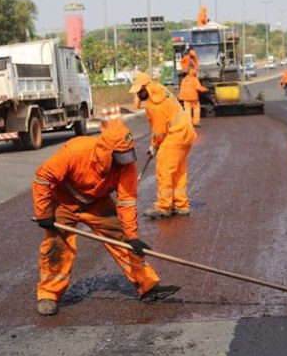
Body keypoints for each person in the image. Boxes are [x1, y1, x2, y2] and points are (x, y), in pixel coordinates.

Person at [31, 118, 180, 316]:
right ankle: (48, 294)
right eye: (120, 157)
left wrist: (132, 236)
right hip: (63, 202)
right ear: (106, 152)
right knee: (57, 245)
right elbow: (42, 177)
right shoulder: (76, 152)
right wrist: (44, 213)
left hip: (98, 203)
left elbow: (126, 201)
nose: (125, 162)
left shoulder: (126, 165)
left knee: (123, 241)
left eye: (128, 155)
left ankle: (148, 285)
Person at [129, 72, 197, 219]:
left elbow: (159, 132)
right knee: (179, 170)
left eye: (140, 91)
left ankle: (164, 206)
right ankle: (181, 205)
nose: (139, 94)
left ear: (147, 87)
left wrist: (153, 146)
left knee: (164, 169)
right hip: (186, 132)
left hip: (176, 135)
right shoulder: (160, 89)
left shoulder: (155, 105)